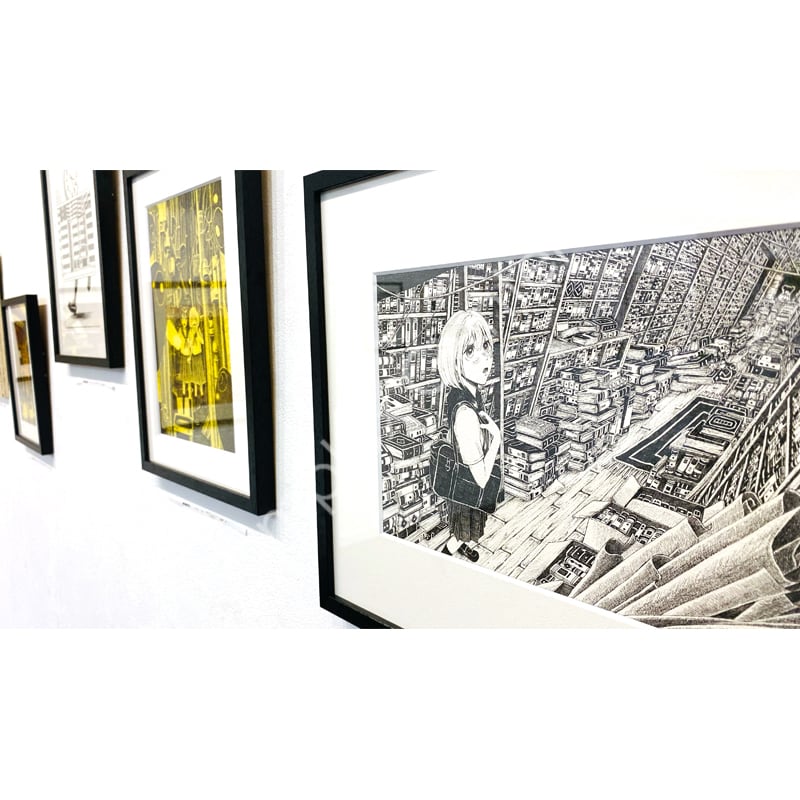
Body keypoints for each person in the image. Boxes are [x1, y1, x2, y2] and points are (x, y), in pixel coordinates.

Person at [436, 310, 502, 562]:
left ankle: (459, 547)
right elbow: (482, 478)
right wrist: (496, 439)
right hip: (467, 488)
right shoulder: (465, 413)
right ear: (453, 358)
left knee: (467, 530)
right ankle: (444, 558)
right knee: (462, 532)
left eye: (485, 346)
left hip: (464, 483)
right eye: (469, 351)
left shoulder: (465, 393)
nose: (484, 357)